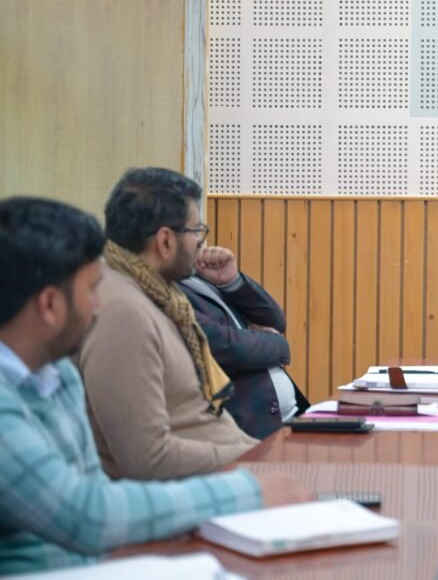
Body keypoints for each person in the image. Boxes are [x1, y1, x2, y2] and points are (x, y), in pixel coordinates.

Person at [0, 197, 311, 574]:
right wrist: (248, 491)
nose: (98, 305)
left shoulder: (57, 375)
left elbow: (98, 494)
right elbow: (87, 514)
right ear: (50, 305)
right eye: (91, 291)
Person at [77, 168, 258, 480]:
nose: (201, 242)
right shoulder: (122, 313)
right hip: (203, 491)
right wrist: (257, 459)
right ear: (165, 241)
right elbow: (148, 459)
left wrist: (267, 455)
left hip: (230, 472)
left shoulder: (156, 294)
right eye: (197, 230)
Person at [179, 245, 309, 439]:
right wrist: (278, 342)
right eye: (193, 232)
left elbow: (274, 319)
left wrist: (232, 282)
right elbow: (229, 347)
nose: (199, 241)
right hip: (248, 431)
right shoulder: (164, 294)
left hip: (289, 418)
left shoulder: (199, 275)